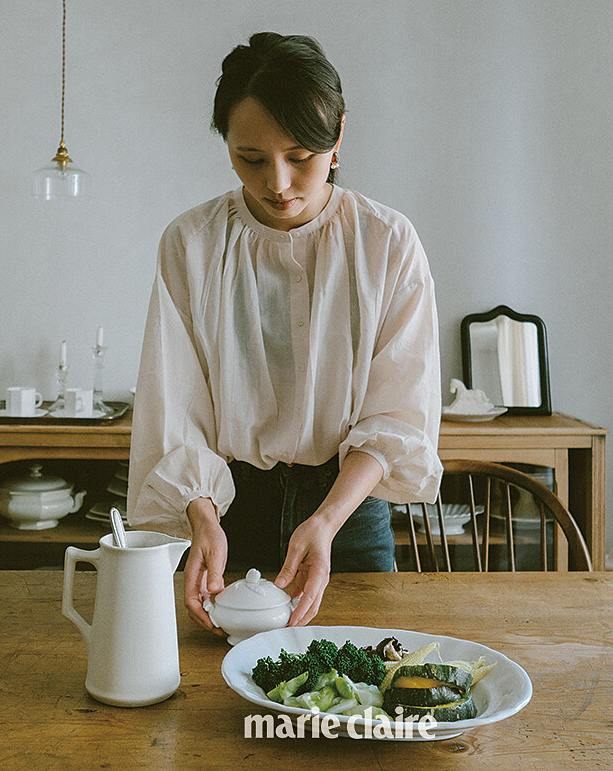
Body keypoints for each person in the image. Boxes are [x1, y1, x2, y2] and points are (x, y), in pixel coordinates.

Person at [127, 32, 441, 635]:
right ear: (225, 143)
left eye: (301, 156)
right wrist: (200, 516)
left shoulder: (386, 242)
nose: (277, 183)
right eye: (250, 157)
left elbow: (399, 412)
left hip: (346, 515)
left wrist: (325, 522)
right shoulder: (191, 244)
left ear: (338, 136)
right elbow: (174, 406)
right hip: (228, 512)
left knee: (356, 687)